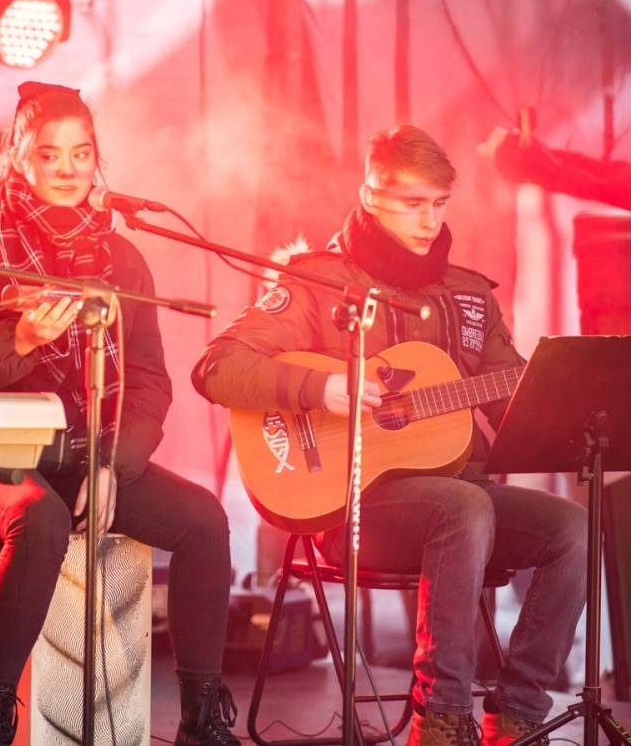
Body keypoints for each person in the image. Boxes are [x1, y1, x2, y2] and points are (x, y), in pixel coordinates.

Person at [193, 125, 586, 746]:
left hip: (463, 499)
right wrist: (321, 388)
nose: (430, 221)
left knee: (572, 528)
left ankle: (518, 711)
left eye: (440, 203)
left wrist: (567, 396)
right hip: (349, 507)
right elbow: (217, 366)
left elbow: (513, 400)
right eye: (413, 203)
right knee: (466, 507)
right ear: (371, 195)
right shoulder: (318, 283)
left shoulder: (471, 296)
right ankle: (442, 717)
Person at [0, 82, 241, 746]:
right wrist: (17, 340)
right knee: (39, 516)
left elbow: (149, 381)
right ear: (18, 157)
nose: (67, 169)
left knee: (205, 519)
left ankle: (201, 720)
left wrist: (114, 465)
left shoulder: (122, 259)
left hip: (86, 454)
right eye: (49, 154)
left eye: (81, 154)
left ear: (97, 160)